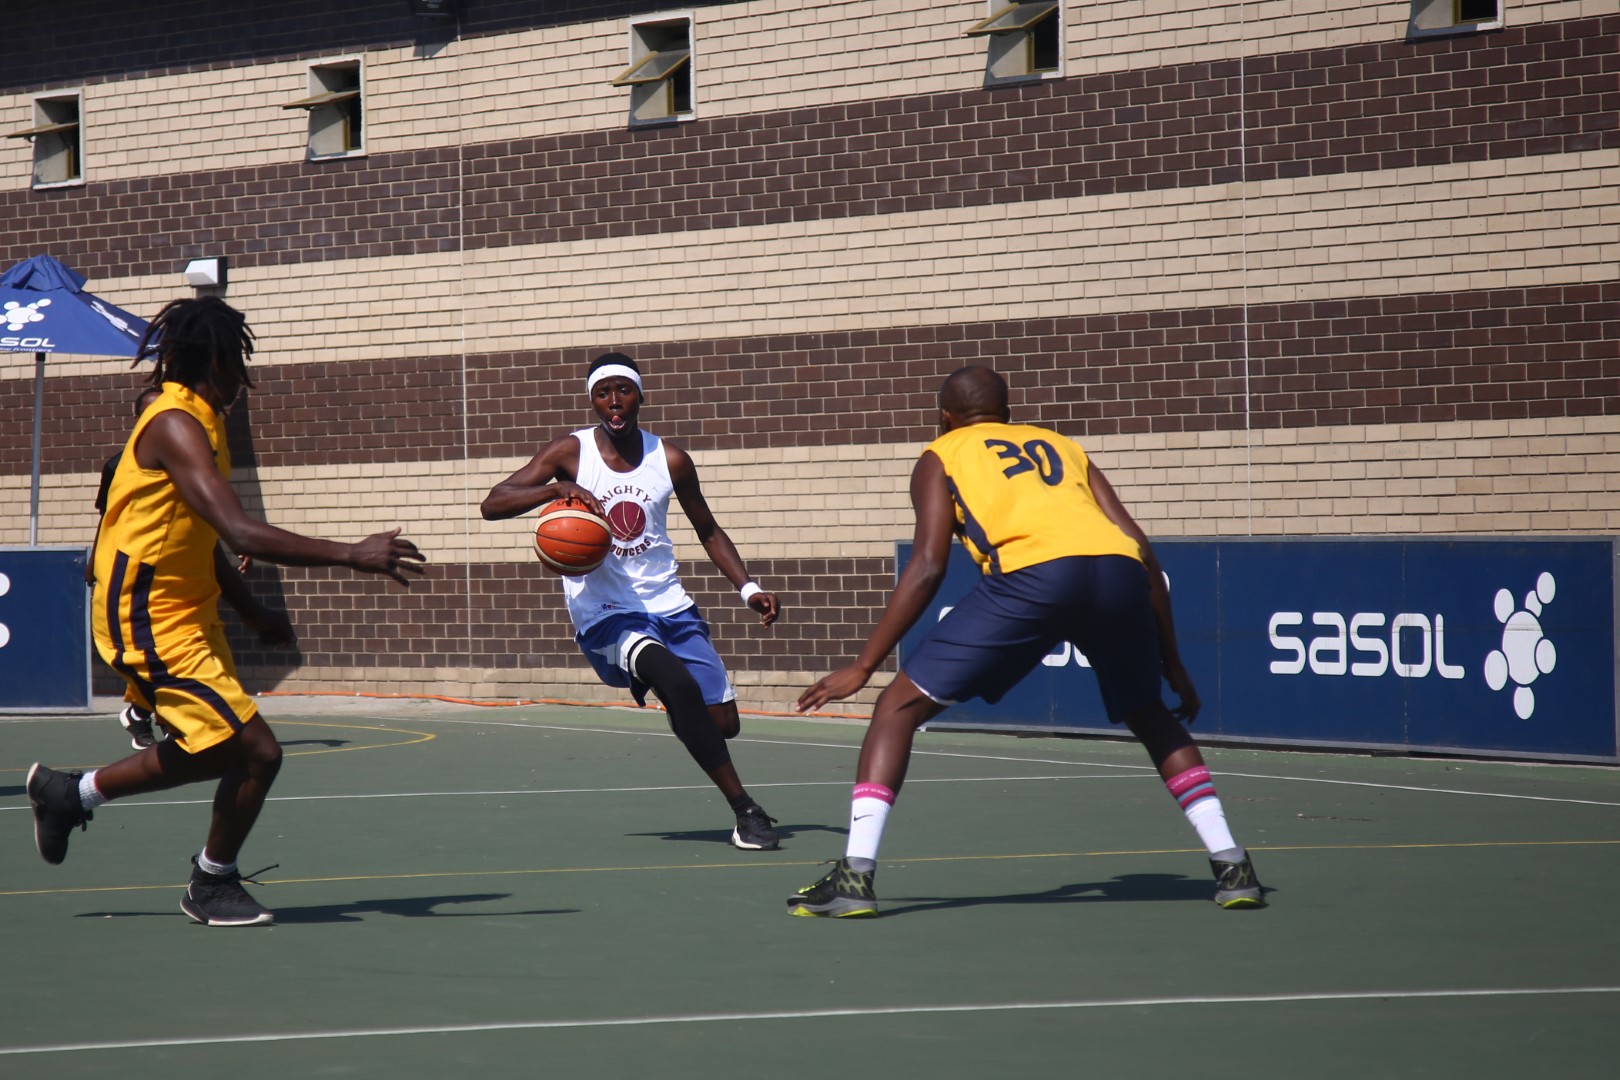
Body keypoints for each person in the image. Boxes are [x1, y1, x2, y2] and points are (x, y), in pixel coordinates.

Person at [789, 365, 1264, 917]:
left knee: (895, 707)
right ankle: (1232, 864)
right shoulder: (1061, 445)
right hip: (1118, 572)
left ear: (945, 416)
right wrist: (1172, 660)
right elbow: (1141, 549)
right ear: (1008, 412)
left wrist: (864, 664)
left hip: (1036, 576)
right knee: (1149, 712)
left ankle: (855, 876)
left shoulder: (941, 454)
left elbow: (928, 566)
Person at [27, 295, 427, 927]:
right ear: (216, 362)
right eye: (239, 363)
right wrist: (353, 553)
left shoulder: (202, 421)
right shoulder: (176, 423)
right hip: (146, 615)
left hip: (185, 613)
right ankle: (205, 879)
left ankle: (75, 796)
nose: (245, 378)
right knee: (256, 750)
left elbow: (201, 537)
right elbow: (239, 532)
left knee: (234, 750)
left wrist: (250, 609)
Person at [481, 352, 783, 851]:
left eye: (623, 390)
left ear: (640, 395)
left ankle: (681, 707)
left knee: (722, 723)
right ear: (592, 401)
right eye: (603, 393)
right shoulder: (571, 452)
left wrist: (748, 589)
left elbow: (708, 530)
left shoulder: (670, 459)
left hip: (669, 603)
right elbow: (493, 503)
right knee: (676, 684)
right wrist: (557, 489)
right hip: (607, 613)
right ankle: (745, 812)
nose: (614, 401)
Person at [88, 387, 296, 750]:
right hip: (146, 590)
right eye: (150, 412)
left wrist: (235, 544)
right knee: (242, 740)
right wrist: (95, 561)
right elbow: (110, 518)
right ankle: (143, 720)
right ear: (139, 421)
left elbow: (205, 515)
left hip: (187, 578)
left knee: (215, 707)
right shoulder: (123, 464)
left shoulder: (193, 450)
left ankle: (144, 720)